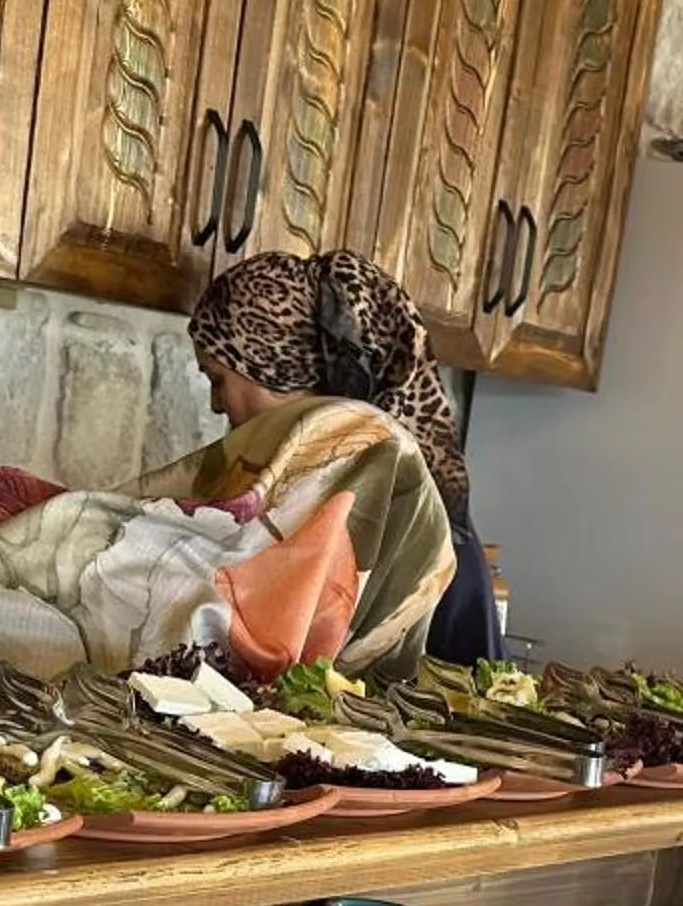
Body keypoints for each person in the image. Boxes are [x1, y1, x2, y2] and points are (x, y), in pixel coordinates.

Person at [189, 250, 503, 664]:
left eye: (218, 380)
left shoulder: (388, 499)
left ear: (276, 371)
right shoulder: (330, 482)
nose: (215, 405)